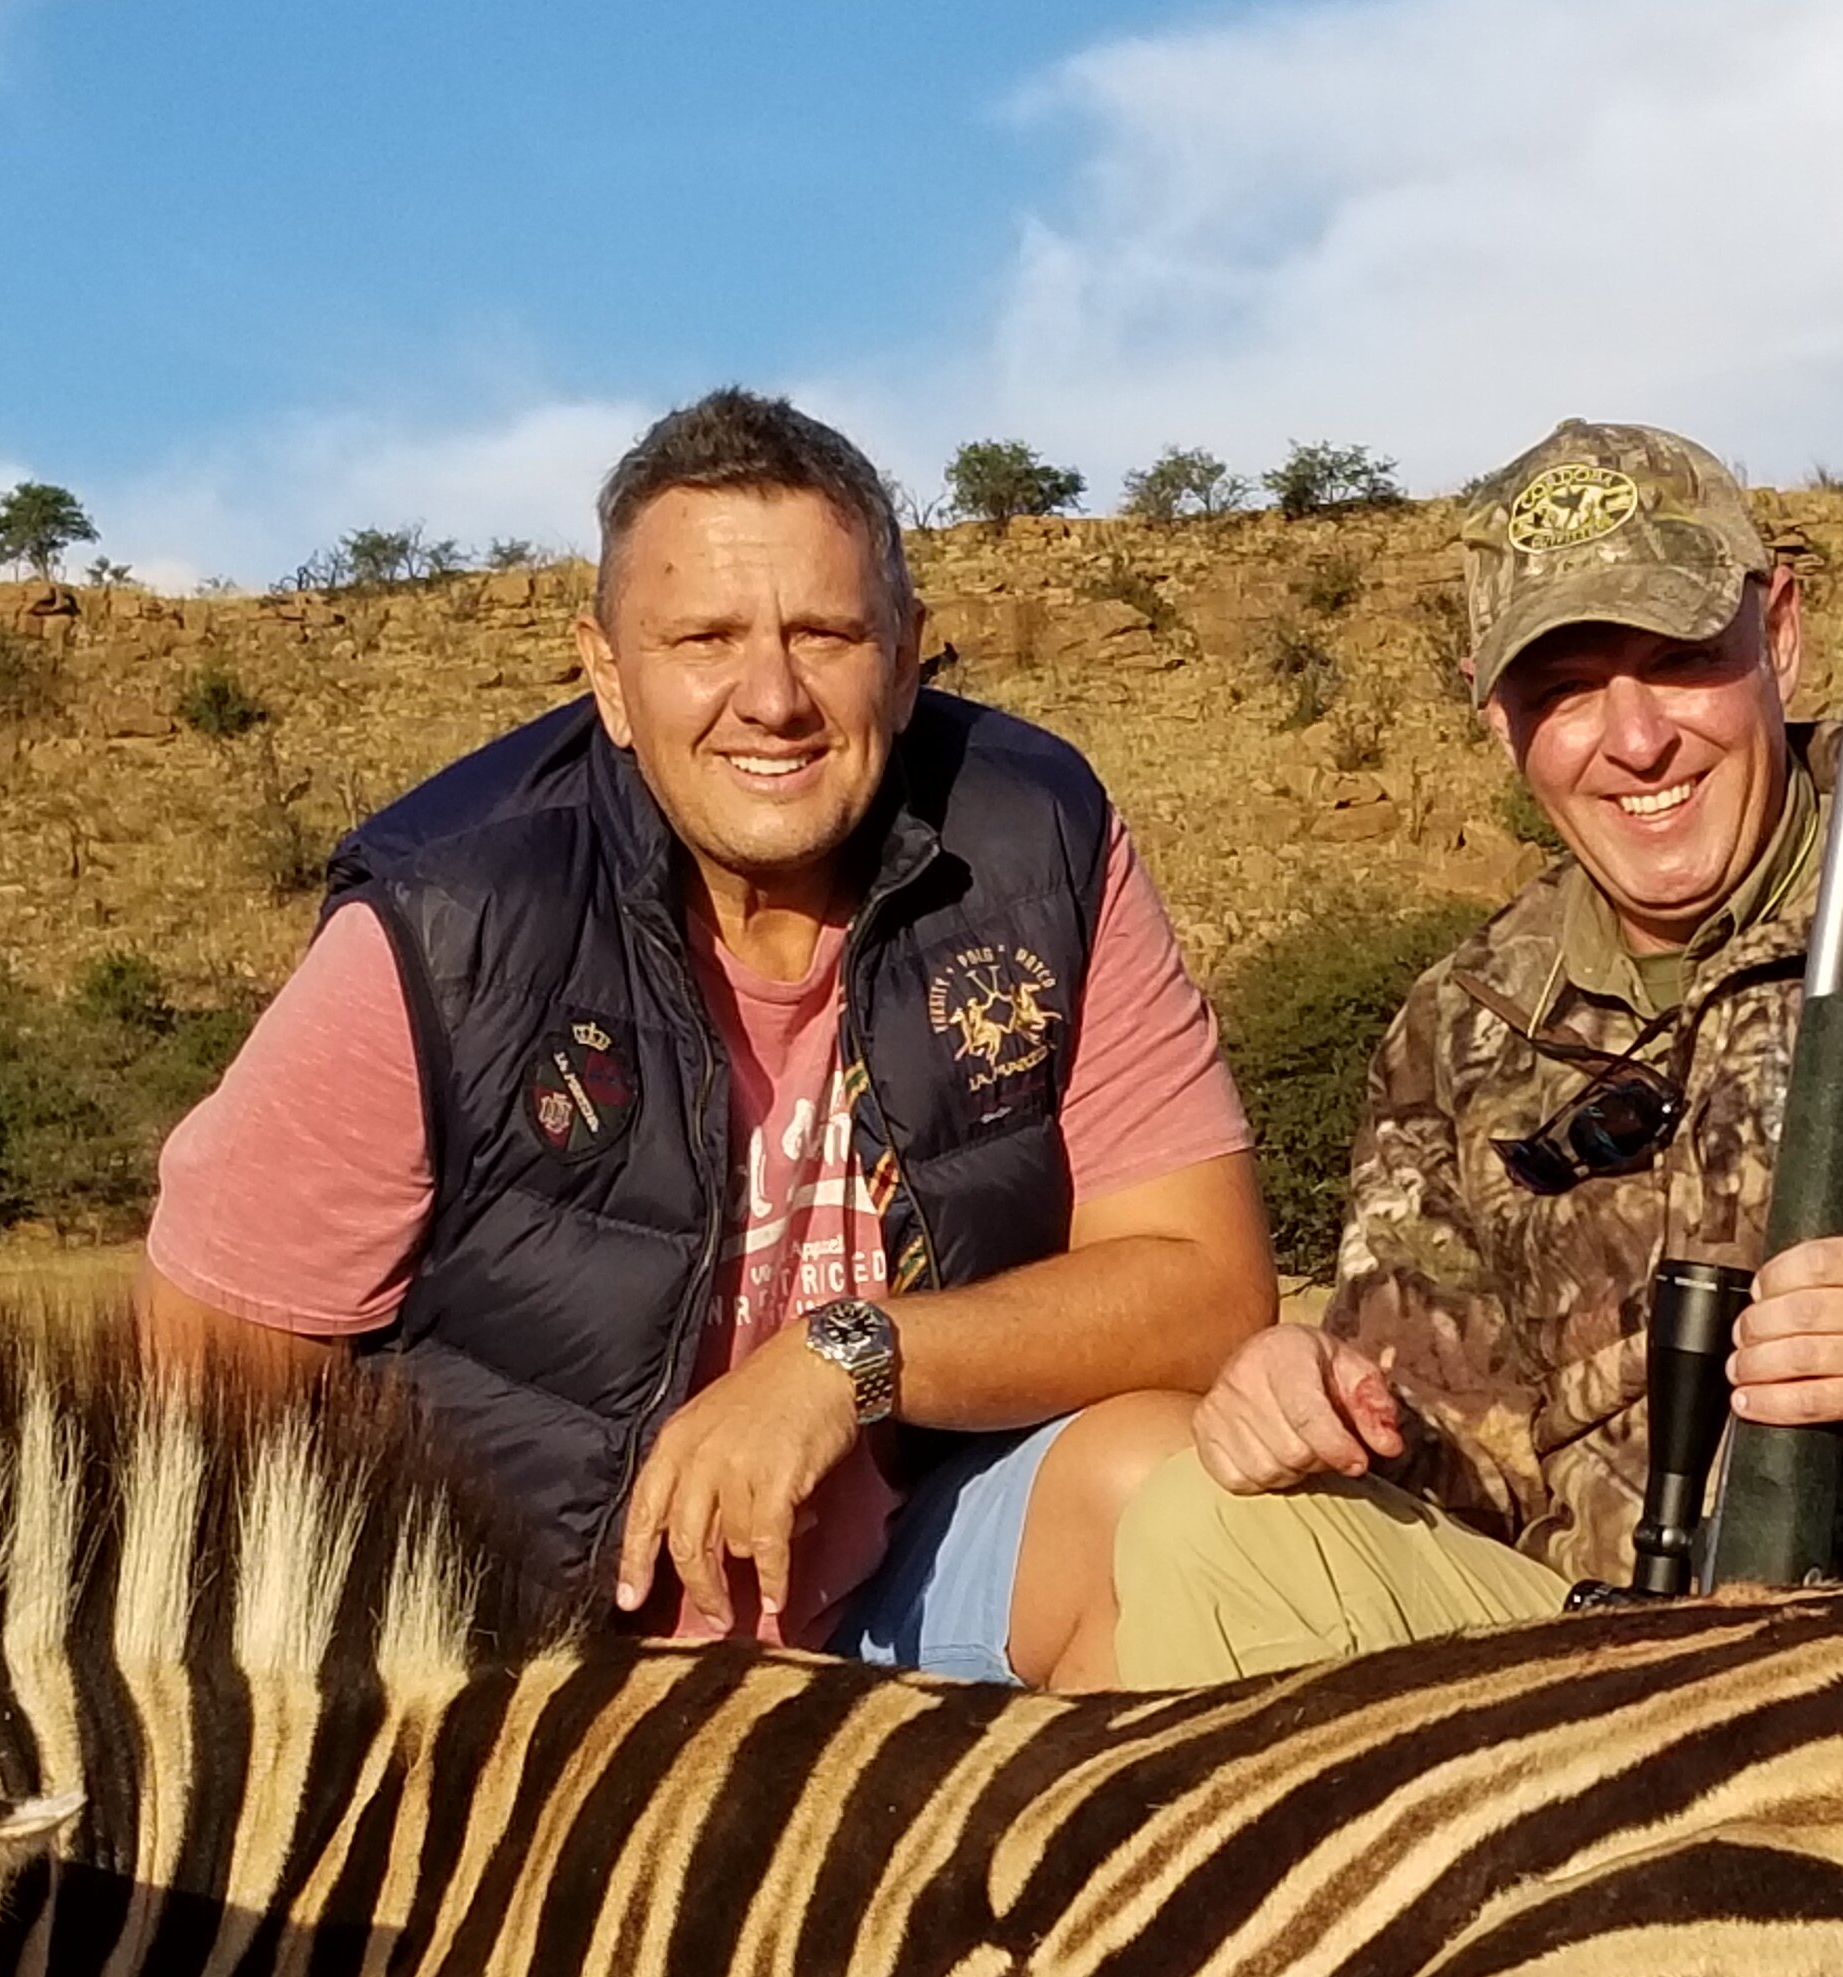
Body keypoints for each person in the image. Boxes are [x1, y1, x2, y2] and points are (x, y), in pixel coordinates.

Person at [1113, 420, 1843, 1684]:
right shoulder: (1460, 1026)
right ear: (1498, 714)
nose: (1634, 741)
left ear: (1777, 631)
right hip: (1605, 1669)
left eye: (1678, 660)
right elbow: (1460, 1455)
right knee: (1205, 1523)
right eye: (1563, 688)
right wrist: (1321, 1408)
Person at [141, 390, 1274, 1688]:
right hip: (522, 1650)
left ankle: (1068, 1884)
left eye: (826, 633)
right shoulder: (443, 925)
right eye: (704, 638)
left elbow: (1206, 1290)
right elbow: (205, 1396)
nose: (772, 697)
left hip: (902, 1572)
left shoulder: (1038, 843)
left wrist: (848, 1357)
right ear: (608, 677)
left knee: (1184, 1493)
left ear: (907, 659)